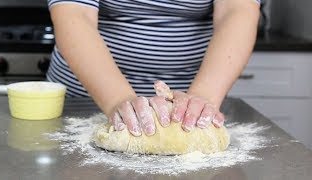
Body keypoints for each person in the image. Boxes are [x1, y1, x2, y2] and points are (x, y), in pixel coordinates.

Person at [47, 0, 261, 136]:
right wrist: (119, 101)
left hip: (191, 95)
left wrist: (200, 100)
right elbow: (75, 14)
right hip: (87, 99)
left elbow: (237, 11)